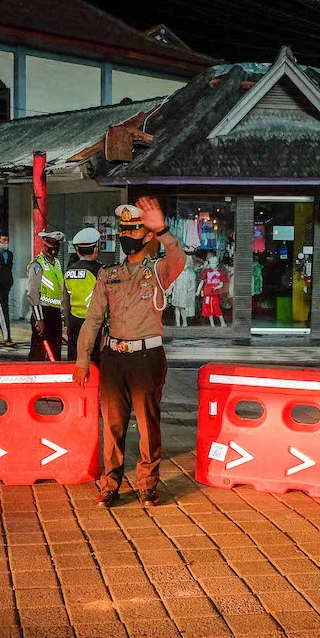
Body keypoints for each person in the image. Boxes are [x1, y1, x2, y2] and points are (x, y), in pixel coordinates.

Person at [73, 198, 185, 508]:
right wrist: (83, 359)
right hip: (113, 358)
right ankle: (110, 484)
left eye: (133, 230)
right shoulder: (108, 275)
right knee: (112, 424)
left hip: (146, 358)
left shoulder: (159, 271)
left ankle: (147, 485)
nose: (126, 236)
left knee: (148, 425)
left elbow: (178, 258)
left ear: (146, 236)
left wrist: (162, 229)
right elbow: (93, 319)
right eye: (123, 230)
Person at [62, 226, 102, 362]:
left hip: (74, 322)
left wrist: (67, 324)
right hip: (95, 322)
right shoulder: (100, 271)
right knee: (95, 360)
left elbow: (65, 302)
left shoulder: (69, 272)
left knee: (74, 359)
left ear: (78, 251)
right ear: (95, 249)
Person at [27, 230, 65, 360]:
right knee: (38, 351)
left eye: (56, 246)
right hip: (43, 312)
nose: (54, 249)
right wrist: (39, 319)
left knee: (55, 351)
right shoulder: (37, 265)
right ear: (44, 246)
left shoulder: (57, 263)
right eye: (52, 246)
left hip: (55, 313)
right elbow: (33, 293)